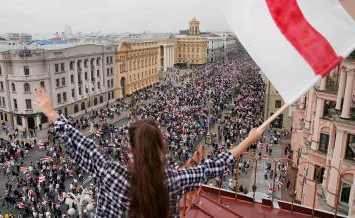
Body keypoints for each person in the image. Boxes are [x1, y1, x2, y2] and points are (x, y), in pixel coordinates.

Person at [35, 87, 264, 217]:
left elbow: (80, 143)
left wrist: (50, 111)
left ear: (131, 148)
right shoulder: (173, 180)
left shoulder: (110, 172)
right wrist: (249, 139)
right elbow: (213, 166)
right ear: (160, 146)